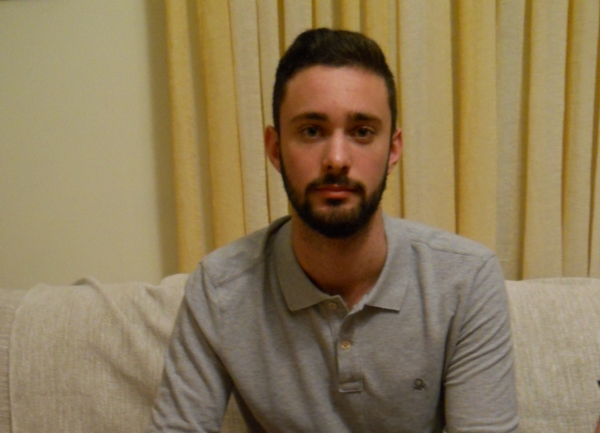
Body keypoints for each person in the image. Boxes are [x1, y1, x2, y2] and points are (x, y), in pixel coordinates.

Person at [146, 28, 519, 432]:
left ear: (393, 149)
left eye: (362, 132)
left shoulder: (466, 279)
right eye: (311, 131)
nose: (337, 159)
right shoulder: (220, 290)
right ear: (275, 149)